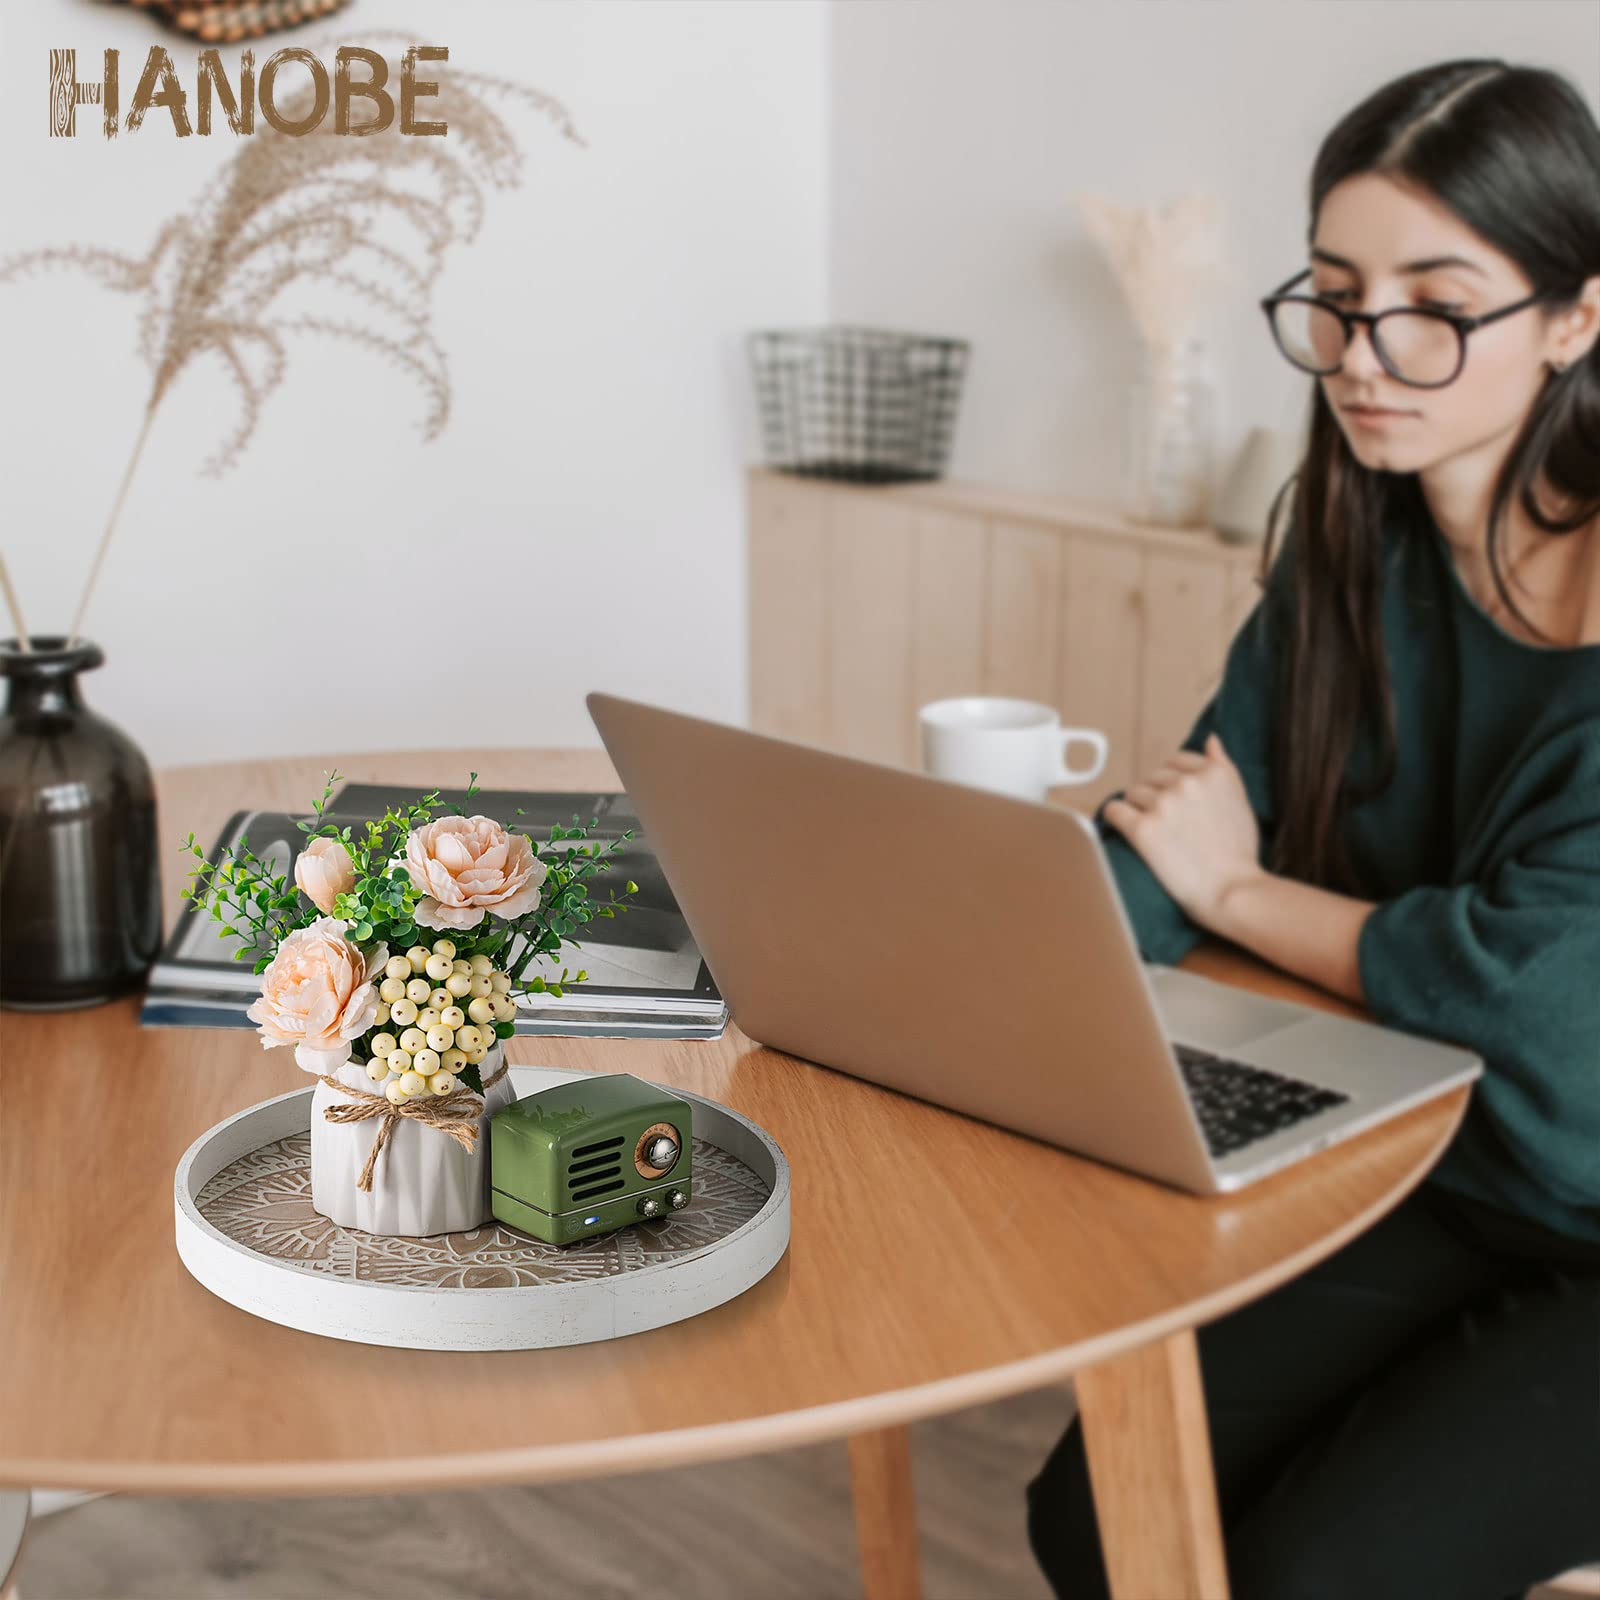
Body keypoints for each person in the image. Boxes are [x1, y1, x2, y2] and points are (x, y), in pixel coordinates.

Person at [1025, 57, 1600, 1600]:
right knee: (1101, 1520)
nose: (1364, 351)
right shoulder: (1355, 547)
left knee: (1297, 1576)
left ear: (1576, 316)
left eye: (1436, 298)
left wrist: (1242, 891)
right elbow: (1186, 830)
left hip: (1578, 1185)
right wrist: (1019, 957)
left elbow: (1546, 1018)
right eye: (1335, 295)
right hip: (1445, 1163)